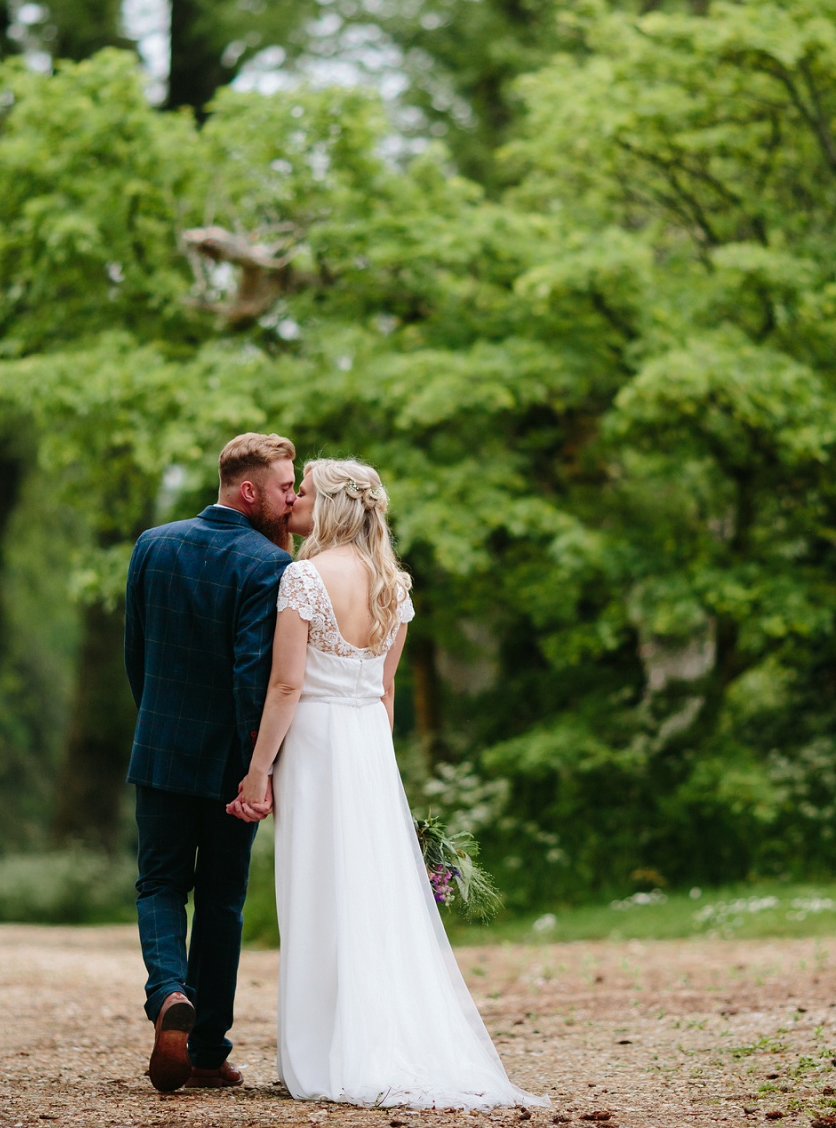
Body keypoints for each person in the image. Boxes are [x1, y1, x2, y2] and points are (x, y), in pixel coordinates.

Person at [227, 459, 545, 1110]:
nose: (297, 501)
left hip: (314, 747)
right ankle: (369, 1038)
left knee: (317, 893)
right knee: (369, 897)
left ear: (334, 505)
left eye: (307, 491)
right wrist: (379, 769)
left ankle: (321, 1053)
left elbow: (286, 685)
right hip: (368, 745)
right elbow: (385, 690)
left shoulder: (304, 578)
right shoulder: (392, 585)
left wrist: (259, 770)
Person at [123, 432, 295, 1092]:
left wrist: (156, 721)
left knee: (160, 883)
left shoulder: (153, 544)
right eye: (284, 487)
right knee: (222, 900)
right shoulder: (267, 565)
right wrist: (261, 766)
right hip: (231, 763)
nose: (290, 499)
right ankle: (205, 1050)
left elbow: (136, 653)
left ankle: (168, 992)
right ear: (248, 491)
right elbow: (253, 674)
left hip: (159, 746)